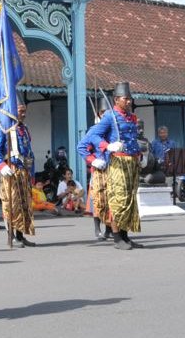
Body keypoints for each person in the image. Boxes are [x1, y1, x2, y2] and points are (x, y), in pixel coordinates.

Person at [80, 82, 142, 249]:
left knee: (129, 200)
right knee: (118, 200)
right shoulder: (110, 116)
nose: (129, 102)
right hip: (117, 163)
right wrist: (107, 146)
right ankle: (116, 238)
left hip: (132, 163)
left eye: (130, 98)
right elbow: (91, 135)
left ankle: (125, 236)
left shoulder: (132, 117)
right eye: (125, 99)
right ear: (116, 99)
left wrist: (139, 154)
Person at [0, 102, 36, 248]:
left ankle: (21, 235)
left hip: (24, 171)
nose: (23, 114)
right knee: (11, 204)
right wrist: (1, 165)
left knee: (24, 205)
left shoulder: (25, 129)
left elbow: (29, 151)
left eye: (24, 111)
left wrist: (32, 173)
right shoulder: (2, 128)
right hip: (10, 170)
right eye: (20, 111)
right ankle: (11, 236)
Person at [78, 101, 112, 242]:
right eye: (104, 112)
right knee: (97, 200)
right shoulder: (95, 129)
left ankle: (110, 229)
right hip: (99, 169)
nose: (107, 115)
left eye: (109, 112)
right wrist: (93, 160)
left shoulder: (114, 130)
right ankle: (97, 228)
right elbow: (82, 148)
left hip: (113, 169)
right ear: (99, 114)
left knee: (111, 201)